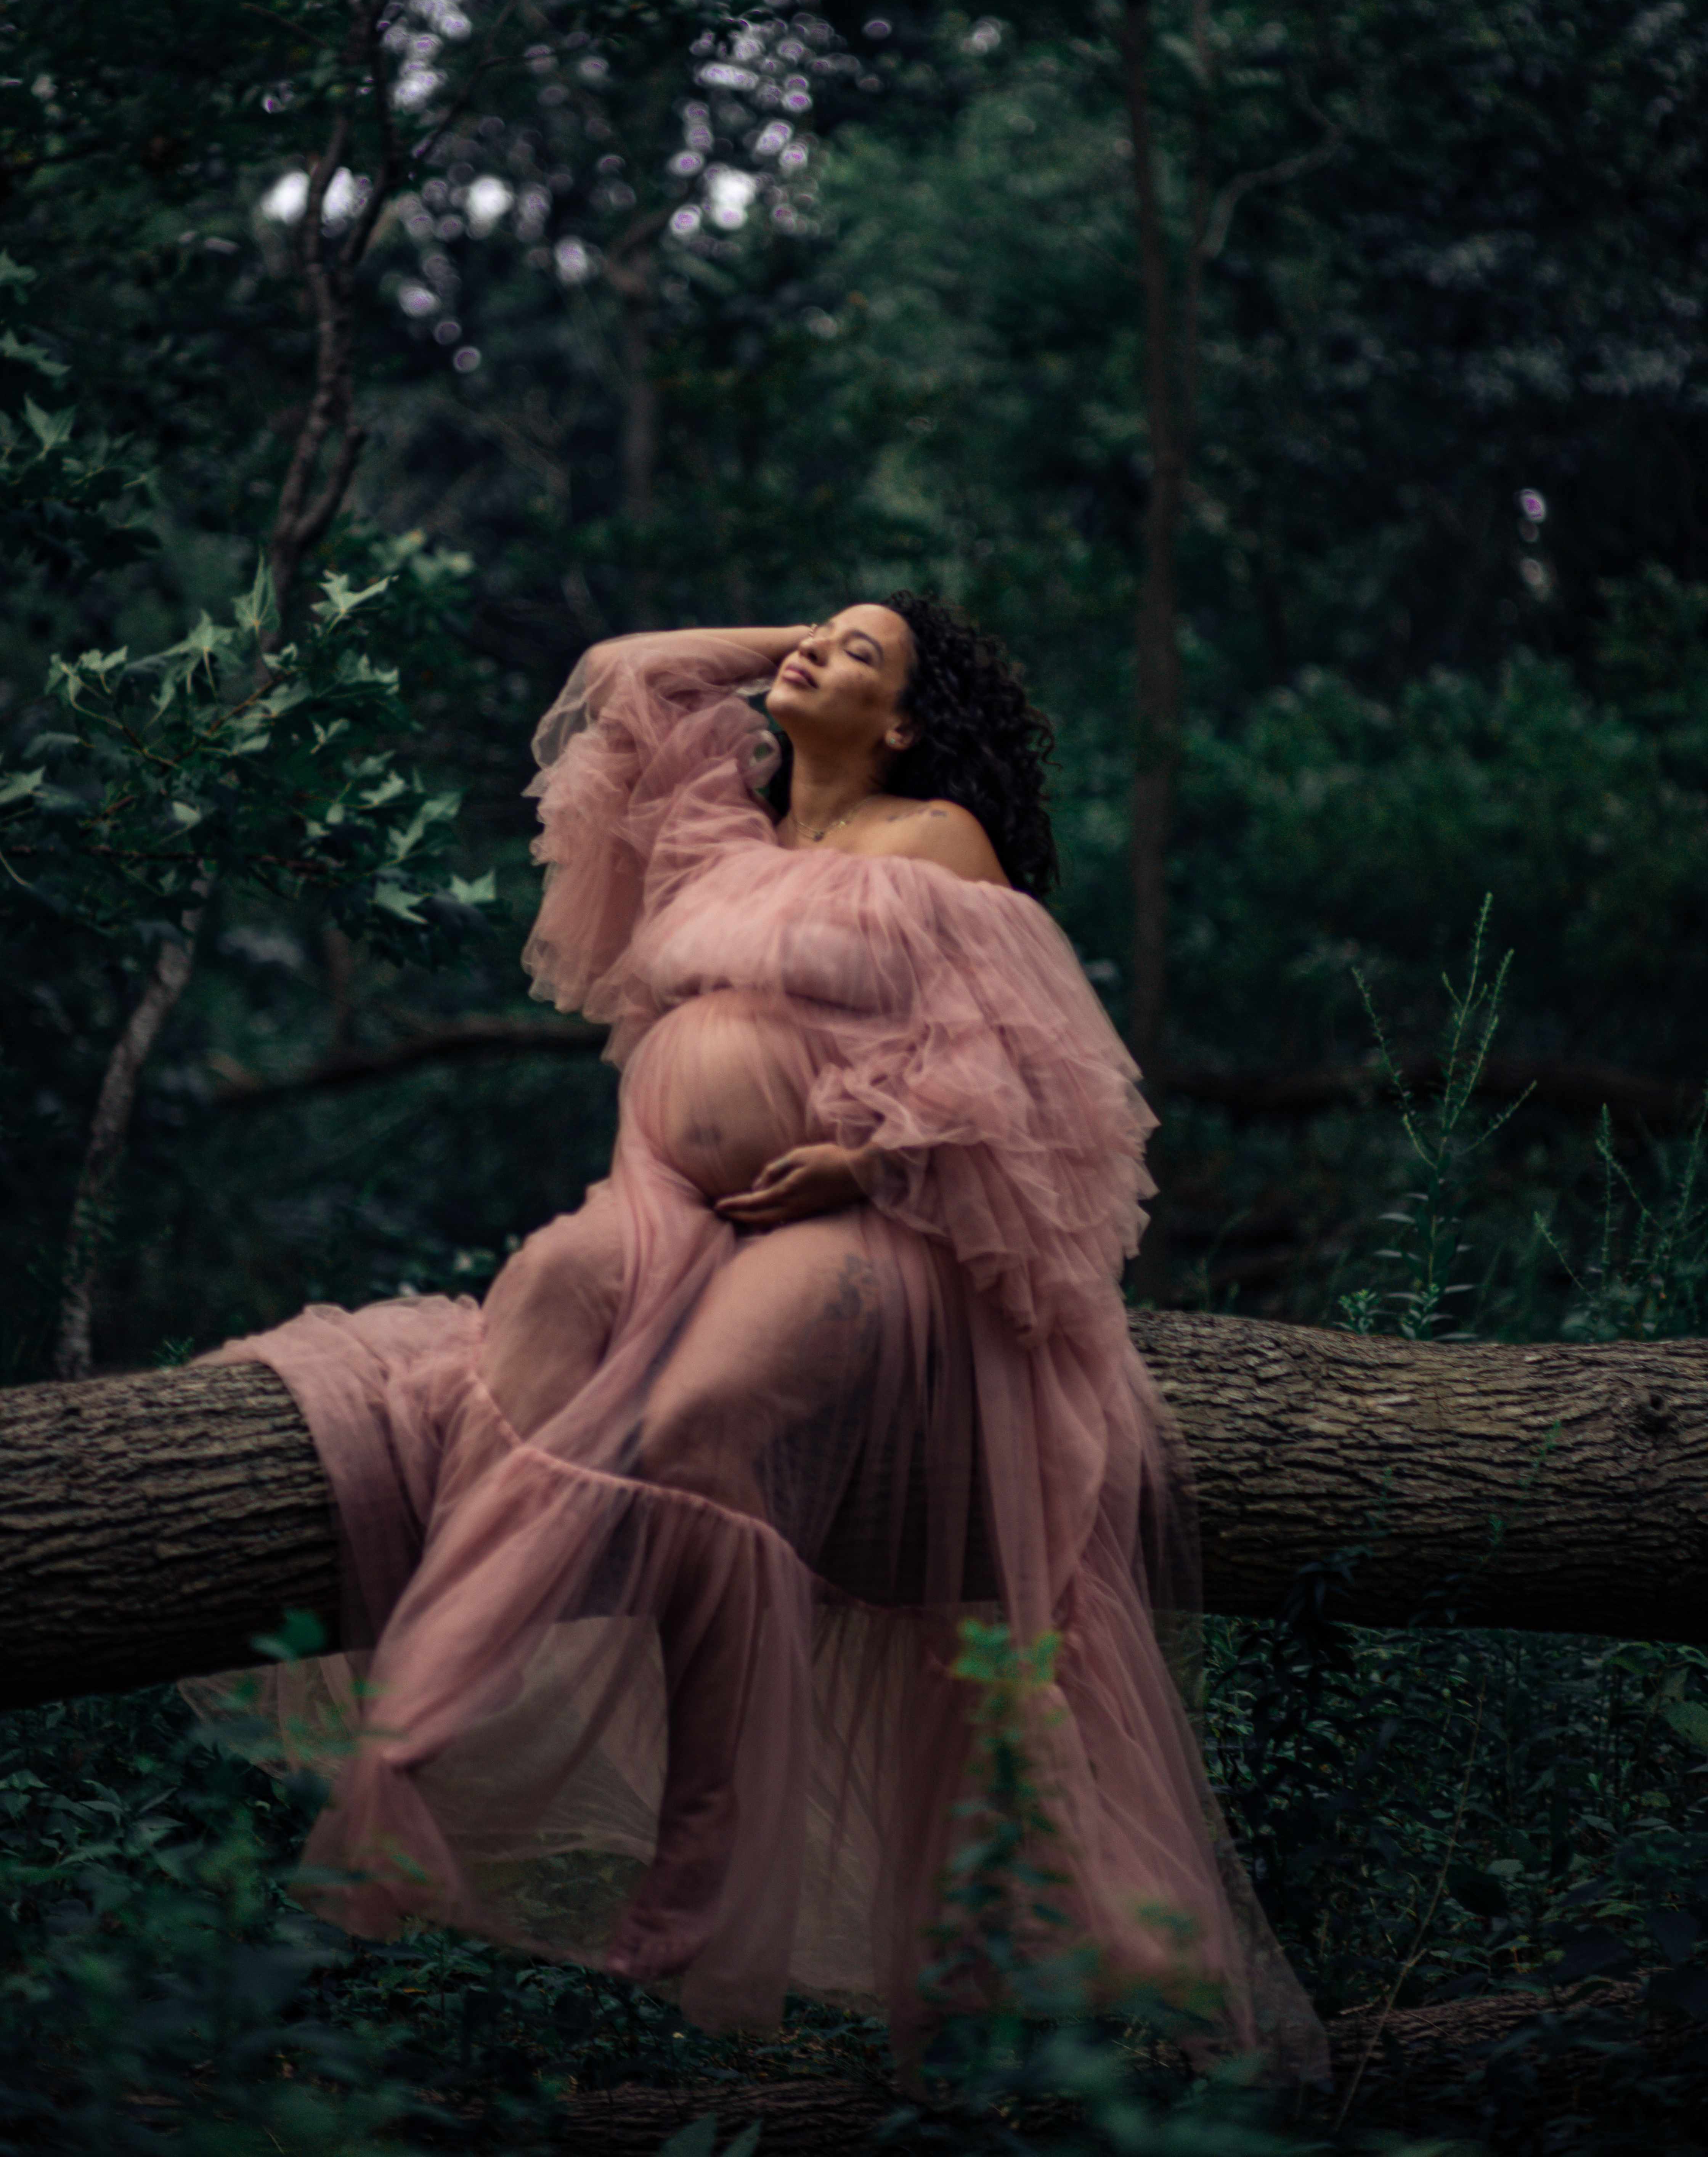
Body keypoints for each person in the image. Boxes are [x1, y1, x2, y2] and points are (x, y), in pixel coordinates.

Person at [196, 595, 1324, 2073]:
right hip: (664, 1209)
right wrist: (812, 627)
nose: (813, 656)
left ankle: (705, 1864)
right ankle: (417, 1758)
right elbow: (620, 675)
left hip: (870, 1226)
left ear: (907, 725)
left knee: (691, 1429)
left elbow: (1031, 1080)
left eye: (860, 658)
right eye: (819, 638)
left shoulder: (934, 842)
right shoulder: (716, 833)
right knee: (538, 1302)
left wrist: (870, 1163)